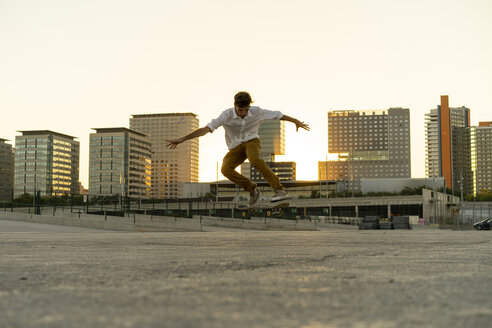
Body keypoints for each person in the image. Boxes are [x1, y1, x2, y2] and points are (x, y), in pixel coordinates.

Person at [167, 91, 310, 205]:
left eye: (246, 110)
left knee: (255, 160)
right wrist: (182, 139)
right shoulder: (226, 115)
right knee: (225, 169)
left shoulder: (257, 111)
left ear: (249, 106)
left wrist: (296, 121)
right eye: (241, 110)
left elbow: (279, 115)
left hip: (252, 141)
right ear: (235, 105)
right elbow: (206, 129)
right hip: (235, 146)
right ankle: (252, 189)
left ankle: (279, 190)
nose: (243, 113)